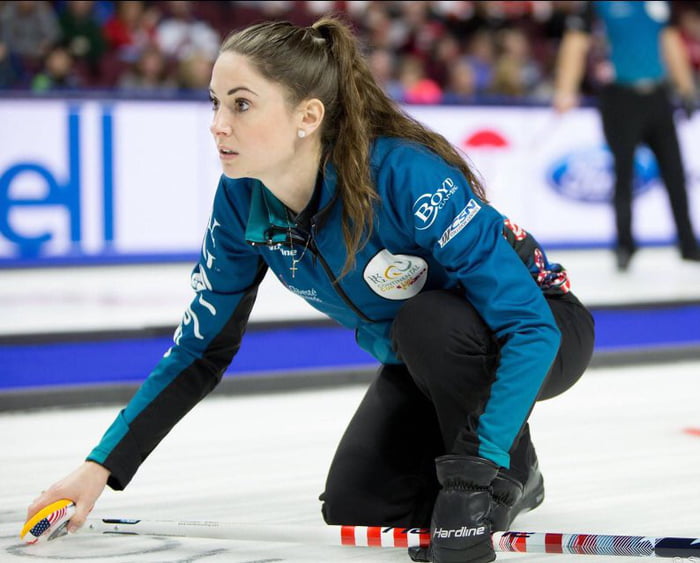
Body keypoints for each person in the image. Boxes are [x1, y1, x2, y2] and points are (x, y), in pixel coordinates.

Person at [26, 15, 595, 563]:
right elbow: (200, 350)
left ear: (308, 116)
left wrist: (480, 473)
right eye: (215, 103)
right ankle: (488, 460)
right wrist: (96, 468)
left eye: (241, 104)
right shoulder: (240, 201)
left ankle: (512, 466)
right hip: (424, 355)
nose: (218, 124)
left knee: (426, 322)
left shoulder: (402, 174)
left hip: (539, 328)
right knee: (361, 508)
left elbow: (529, 325)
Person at [552, 0, 700, 271]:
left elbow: (669, 41)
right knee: (623, 174)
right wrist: (565, 89)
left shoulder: (657, 4)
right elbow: (575, 43)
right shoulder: (598, 5)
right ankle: (624, 246)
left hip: (657, 96)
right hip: (620, 98)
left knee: (675, 173)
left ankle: (689, 244)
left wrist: (686, 87)